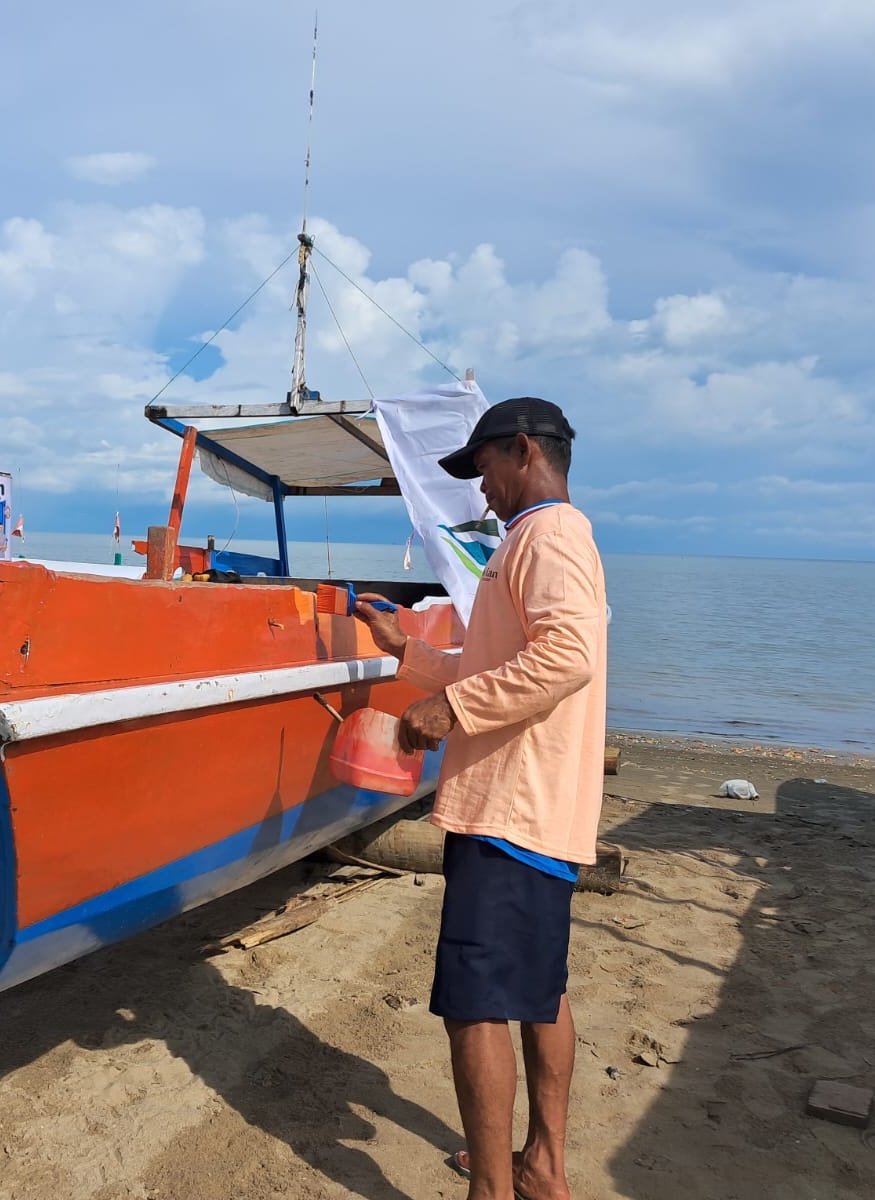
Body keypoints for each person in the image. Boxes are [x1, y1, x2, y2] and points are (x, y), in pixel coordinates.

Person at [355, 396, 607, 1200]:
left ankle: (495, 1190)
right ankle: (541, 1165)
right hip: (534, 808)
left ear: (524, 451)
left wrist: (450, 709)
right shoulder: (539, 538)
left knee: (476, 1004)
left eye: (486, 469)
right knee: (539, 990)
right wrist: (413, 655)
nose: (480, 490)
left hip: (512, 811)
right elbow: (498, 658)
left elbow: (568, 656)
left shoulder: (549, 535)